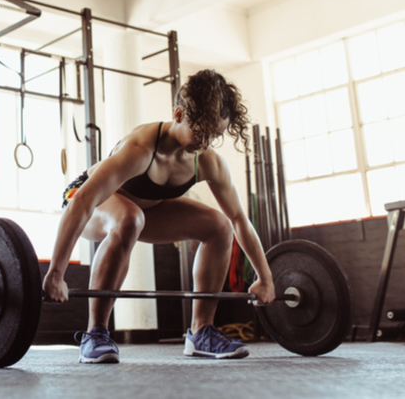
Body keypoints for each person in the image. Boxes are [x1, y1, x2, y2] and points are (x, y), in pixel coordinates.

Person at [42, 69, 275, 363]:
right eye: (200, 132)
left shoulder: (207, 162)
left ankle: (201, 332)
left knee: (219, 226)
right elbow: (84, 202)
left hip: (142, 211)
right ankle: (95, 333)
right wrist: (56, 273)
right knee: (129, 218)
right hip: (85, 200)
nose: (204, 143)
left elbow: (240, 219)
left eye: (213, 136)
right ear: (179, 114)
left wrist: (264, 277)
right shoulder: (140, 148)